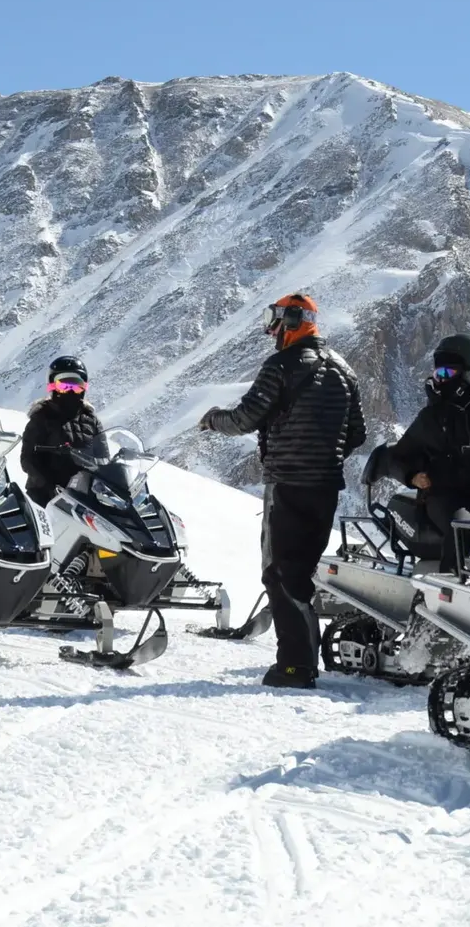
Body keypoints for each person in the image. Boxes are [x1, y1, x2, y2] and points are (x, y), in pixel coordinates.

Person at [200, 293, 367, 689]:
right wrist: (325, 452)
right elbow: (357, 432)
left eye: (273, 318)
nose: (271, 328)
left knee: (279, 573)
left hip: (288, 483)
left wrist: (212, 420)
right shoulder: (345, 370)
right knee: (302, 573)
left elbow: (245, 418)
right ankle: (306, 660)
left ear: (290, 320)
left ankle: (294, 666)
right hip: (326, 486)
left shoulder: (281, 365)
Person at [388, 334, 470, 571]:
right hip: (446, 496)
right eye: (438, 374)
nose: (439, 380)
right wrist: (412, 476)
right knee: (463, 526)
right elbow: (397, 456)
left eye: (446, 373)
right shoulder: (433, 416)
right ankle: (445, 590)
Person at [20, 355, 104, 507]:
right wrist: (49, 486)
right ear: (53, 386)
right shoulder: (41, 417)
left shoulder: (91, 420)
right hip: (46, 497)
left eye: (76, 385)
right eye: (64, 386)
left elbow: (103, 457)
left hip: (84, 497)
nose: (70, 390)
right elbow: (27, 459)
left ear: (84, 387)